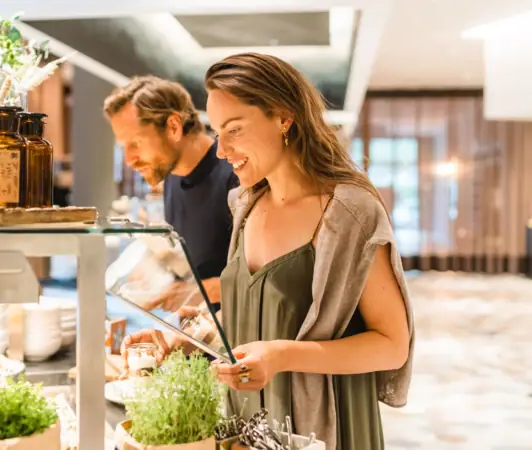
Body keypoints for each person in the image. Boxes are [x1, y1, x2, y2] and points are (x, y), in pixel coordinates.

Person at [122, 53, 414, 450]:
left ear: (283, 117)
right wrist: (188, 338)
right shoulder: (244, 203)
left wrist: (281, 355)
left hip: (322, 429)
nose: (221, 150)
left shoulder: (348, 212)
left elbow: (391, 346)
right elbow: (260, 315)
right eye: (217, 131)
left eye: (235, 130)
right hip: (250, 425)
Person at [104, 76, 239, 310]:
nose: (128, 160)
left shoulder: (236, 175)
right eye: (123, 147)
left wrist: (188, 293)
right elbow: (196, 265)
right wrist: (156, 273)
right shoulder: (172, 179)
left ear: (174, 127)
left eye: (135, 142)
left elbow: (261, 284)